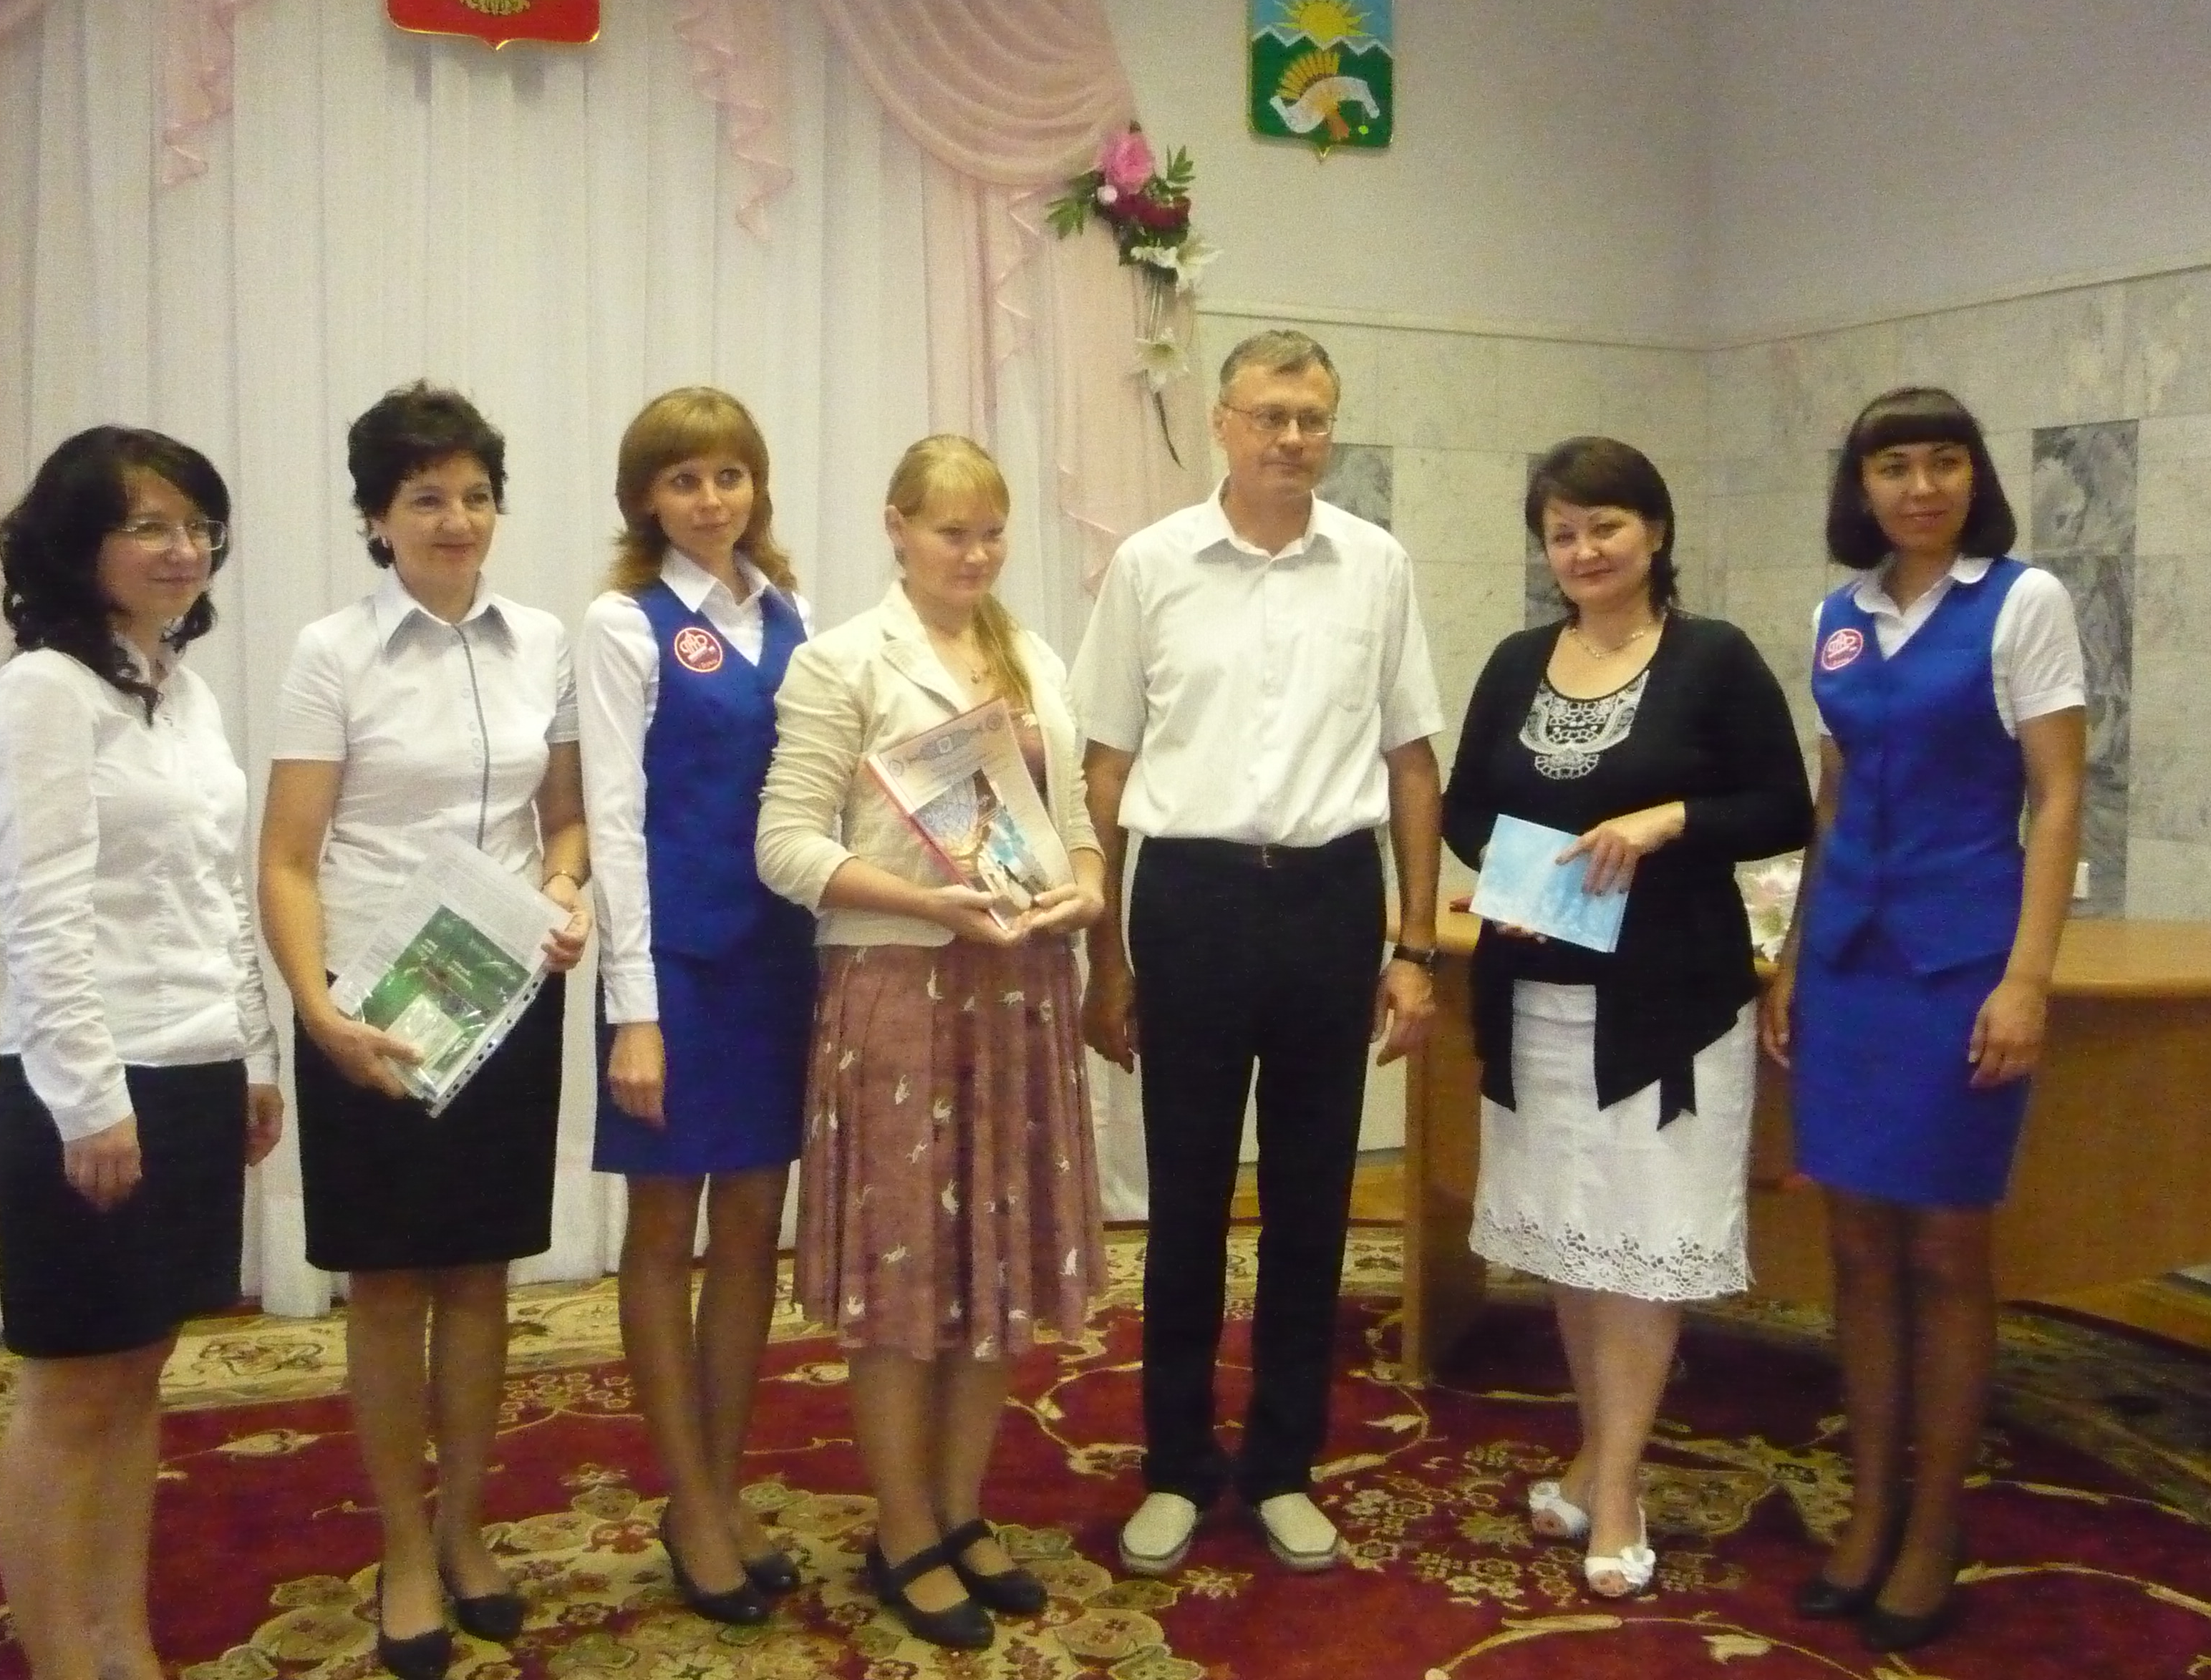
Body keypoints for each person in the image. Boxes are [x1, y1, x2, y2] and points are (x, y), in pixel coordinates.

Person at [1072, 328, 1444, 1579]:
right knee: (1184, 1198)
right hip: (1191, 899)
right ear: (1222, 423)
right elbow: (1105, 769)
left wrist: (1414, 946)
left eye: (1313, 419)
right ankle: (1177, 1466)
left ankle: (1284, 1465)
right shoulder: (1151, 566)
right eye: (1270, 415)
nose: (1292, 439)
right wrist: (1107, 959)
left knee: (1310, 1197)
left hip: (1330, 902)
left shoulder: (1376, 566)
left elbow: (1411, 761)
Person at [256, 385, 589, 1680]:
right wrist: (320, 1013)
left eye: (476, 496)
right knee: (391, 1283)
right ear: (376, 518)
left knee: (482, 1273)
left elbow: (566, 821)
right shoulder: (331, 653)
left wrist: (564, 890)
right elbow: (288, 859)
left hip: (501, 990)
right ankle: (402, 1544)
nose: (457, 520)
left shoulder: (541, 641)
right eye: (426, 499)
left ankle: (465, 1531)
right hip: (373, 1005)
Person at [755, 434, 1106, 1653]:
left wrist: (1085, 890)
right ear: (896, 528)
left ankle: (959, 1510)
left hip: (1019, 989)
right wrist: (925, 903)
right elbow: (786, 845)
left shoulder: (1033, 655)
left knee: (993, 1262)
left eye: (993, 531)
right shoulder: (843, 660)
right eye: (952, 531)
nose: (976, 553)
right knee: (906, 1272)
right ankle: (902, 1526)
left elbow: (1074, 824)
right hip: (901, 986)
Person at [1443, 436, 1811, 1599]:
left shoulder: (1714, 658)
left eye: (1604, 525)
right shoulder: (1516, 663)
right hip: (1537, 997)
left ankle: (1615, 1488)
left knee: (1642, 1249)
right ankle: (1599, 1453)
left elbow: (1783, 806)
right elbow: (1463, 810)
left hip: (1669, 1004)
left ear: (1654, 531)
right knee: (1573, 1240)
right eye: (1562, 533)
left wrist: (1668, 821)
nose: (1584, 550)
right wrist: (1518, 879)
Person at [1758, 386, 2086, 1656]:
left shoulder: (2023, 602)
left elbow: (2058, 798)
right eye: (1894, 466)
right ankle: (1869, 1511)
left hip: (1961, 964)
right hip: (1849, 966)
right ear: (1863, 488)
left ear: (1973, 477)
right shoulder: (1839, 618)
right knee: (1855, 1248)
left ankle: (1936, 1523)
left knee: (1946, 1252)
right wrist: (1792, 957)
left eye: (1945, 462)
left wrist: (2028, 978)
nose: (1921, 487)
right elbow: (1833, 801)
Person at [0, 427, 284, 1680]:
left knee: (140, 1376)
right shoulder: (44, 692)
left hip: (192, 1069)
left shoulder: (180, 690)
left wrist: (250, 1054)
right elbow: (40, 913)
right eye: (149, 525)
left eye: (198, 526)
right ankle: (62, 1655)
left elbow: (212, 892)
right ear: (77, 543)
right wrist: (90, 1102)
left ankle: (121, 1641)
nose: (182, 549)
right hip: (87, 1088)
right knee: (73, 1392)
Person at [577, 387, 816, 1621]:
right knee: (665, 1234)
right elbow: (612, 821)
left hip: (781, 960)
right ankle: (687, 1493)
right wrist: (635, 1009)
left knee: (754, 1230)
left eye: (729, 475)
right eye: (684, 480)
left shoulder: (792, 615)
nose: (711, 499)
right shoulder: (624, 623)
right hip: (673, 970)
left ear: (756, 486)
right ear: (645, 500)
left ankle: (716, 1493)